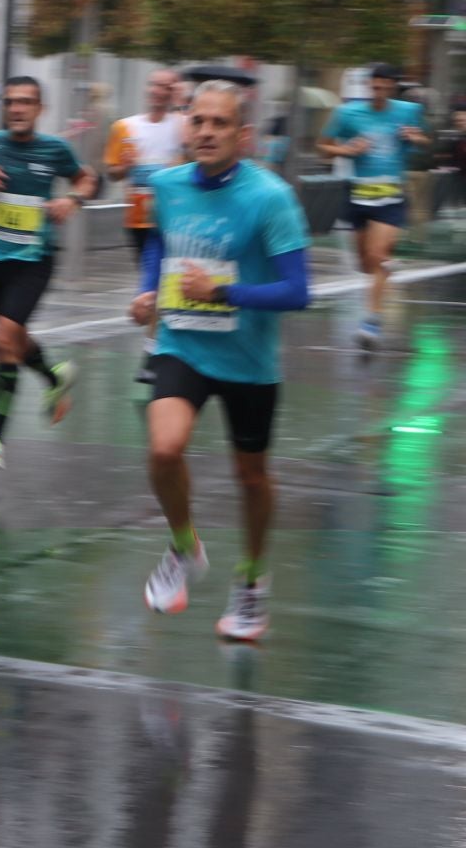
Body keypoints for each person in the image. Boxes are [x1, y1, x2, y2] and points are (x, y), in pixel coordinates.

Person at [132, 80, 310, 640]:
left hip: (249, 357)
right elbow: (160, 242)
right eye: (198, 120)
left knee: (251, 477)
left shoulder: (270, 197)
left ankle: (253, 581)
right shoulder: (165, 184)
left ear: (244, 135)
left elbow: (298, 291)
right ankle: (185, 547)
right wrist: (148, 289)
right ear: (186, 126)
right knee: (164, 449)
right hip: (182, 342)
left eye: (220, 123)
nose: (206, 131)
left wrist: (225, 292)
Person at [0, 77, 95, 468]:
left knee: (4, 338)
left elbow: (87, 177)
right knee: (13, 340)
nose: (17, 109)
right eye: (11, 102)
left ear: (39, 109)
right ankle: (54, 375)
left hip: (34, 261)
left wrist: (72, 199)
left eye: (26, 102)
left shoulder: (55, 149)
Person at [318, 64, 429, 349]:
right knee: (364, 264)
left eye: (383, 86)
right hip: (357, 195)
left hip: (390, 196)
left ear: (393, 86)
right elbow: (324, 145)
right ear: (369, 86)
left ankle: (372, 320)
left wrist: (414, 138)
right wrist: (347, 150)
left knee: (378, 256)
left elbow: (424, 141)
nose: (377, 91)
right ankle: (384, 269)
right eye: (373, 86)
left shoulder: (407, 111)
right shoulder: (348, 113)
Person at [106, 71, 188, 386]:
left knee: (161, 287)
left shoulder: (181, 125)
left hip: (171, 222)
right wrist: (124, 167)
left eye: (167, 87)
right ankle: (160, 349)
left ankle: (154, 354)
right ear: (147, 88)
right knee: (154, 289)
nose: (160, 91)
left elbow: (194, 153)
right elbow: (112, 173)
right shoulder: (125, 127)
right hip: (138, 221)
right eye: (155, 85)